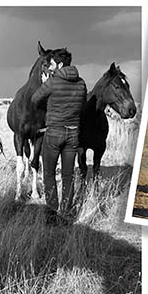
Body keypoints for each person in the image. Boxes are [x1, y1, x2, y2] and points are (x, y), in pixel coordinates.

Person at [31, 49, 87, 223]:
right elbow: (82, 104)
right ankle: (67, 213)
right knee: (68, 176)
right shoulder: (82, 83)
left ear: (60, 65)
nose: (51, 68)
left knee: (48, 174)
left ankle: (51, 215)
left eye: (52, 64)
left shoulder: (52, 82)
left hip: (54, 132)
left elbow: (34, 100)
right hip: (73, 134)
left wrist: (46, 89)